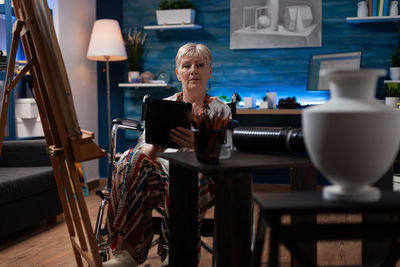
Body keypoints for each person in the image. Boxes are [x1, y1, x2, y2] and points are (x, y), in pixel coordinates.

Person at [103, 43, 232, 267]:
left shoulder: (220, 110)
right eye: (187, 65)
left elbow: (229, 154)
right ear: (178, 72)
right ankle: (126, 254)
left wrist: (199, 145)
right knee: (129, 158)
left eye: (200, 65)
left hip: (201, 181)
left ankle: (177, 252)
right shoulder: (165, 106)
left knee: (185, 172)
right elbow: (141, 151)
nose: (193, 70)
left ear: (209, 71)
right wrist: (154, 148)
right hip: (158, 179)